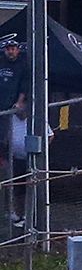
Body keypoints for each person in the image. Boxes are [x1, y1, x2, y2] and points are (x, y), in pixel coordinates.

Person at [0, 38, 29, 228]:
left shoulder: (22, 66)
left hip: (8, 114)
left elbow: (23, 89)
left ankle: (13, 213)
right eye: (8, 48)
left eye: (14, 48)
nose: (11, 51)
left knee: (11, 179)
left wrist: (19, 104)